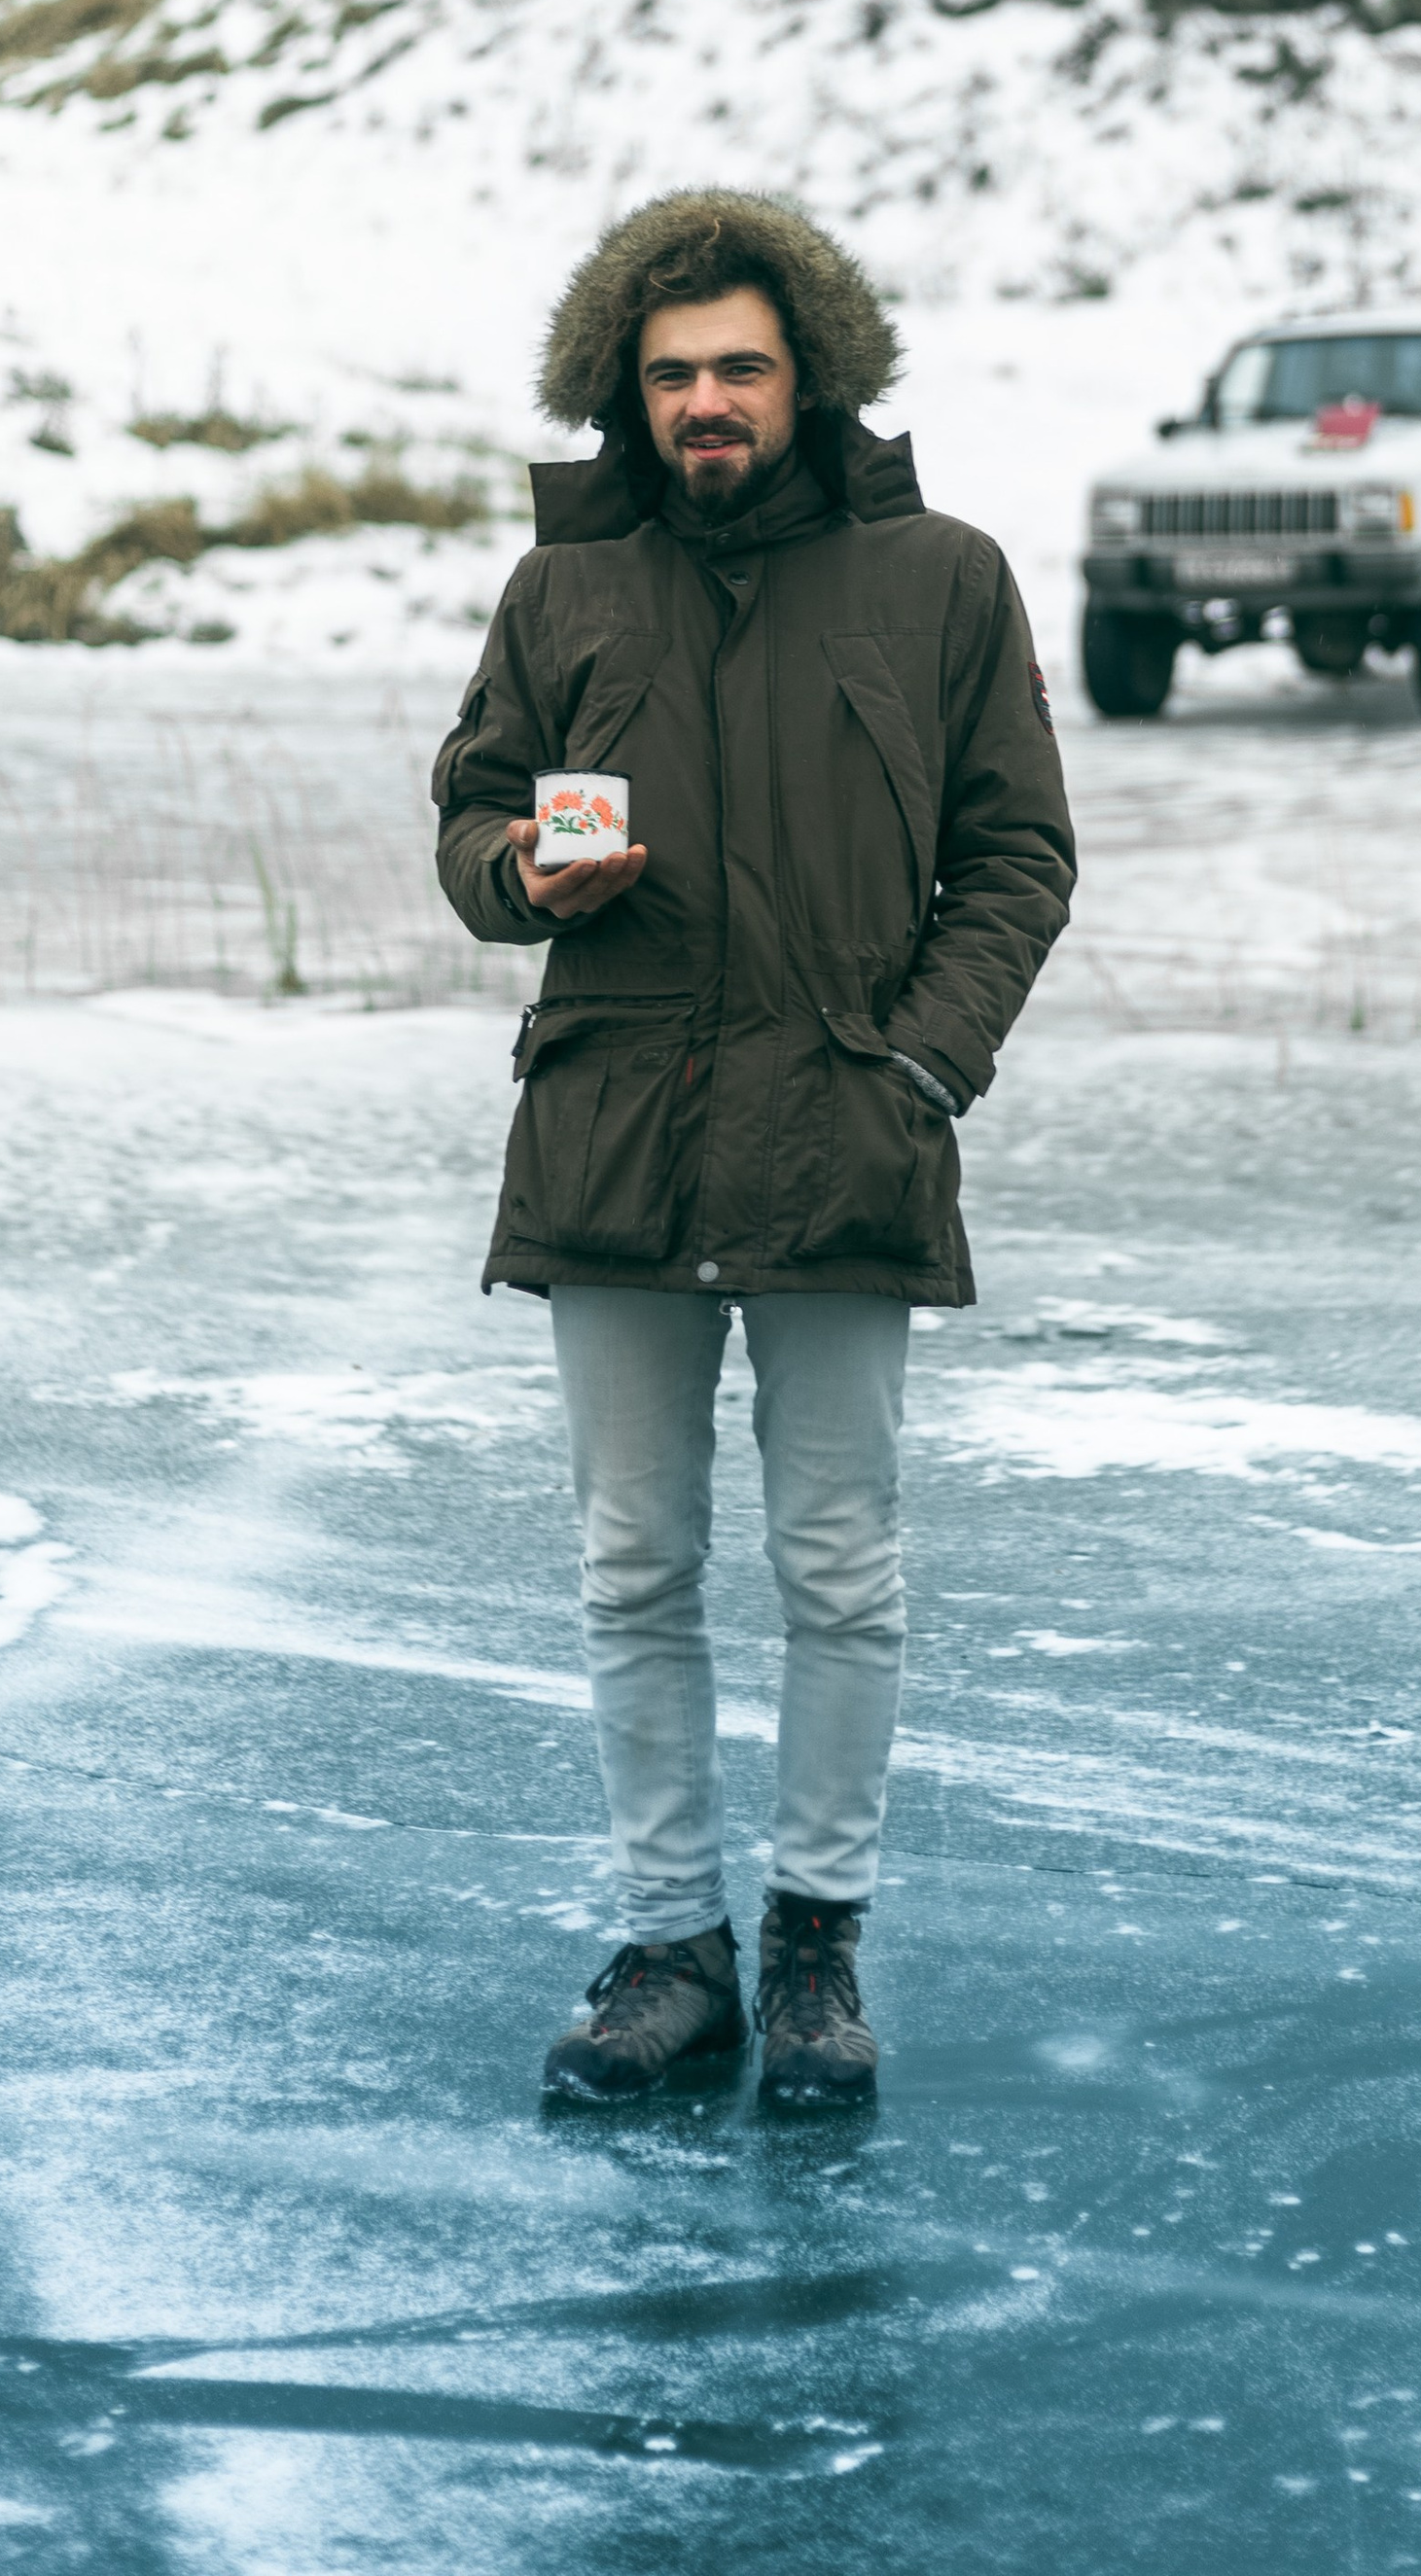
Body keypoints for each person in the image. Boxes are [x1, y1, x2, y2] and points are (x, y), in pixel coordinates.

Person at [432, 190, 1075, 2110]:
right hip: (616, 1140)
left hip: (842, 1135)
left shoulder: (943, 581)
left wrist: (924, 1067)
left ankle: (813, 1954)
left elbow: (1018, 861)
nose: (706, 401)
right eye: (671, 375)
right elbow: (470, 819)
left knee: (839, 1568)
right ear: (623, 396)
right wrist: (515, 870)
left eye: (739, 367)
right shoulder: (563, 595)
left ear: (808, 377)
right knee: (629, 1564)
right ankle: (666, 1951)